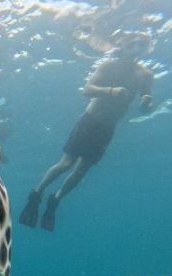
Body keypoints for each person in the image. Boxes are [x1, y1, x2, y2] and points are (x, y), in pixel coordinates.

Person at [19, 32, 155, 232]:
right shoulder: (109, 66)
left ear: (146, 48)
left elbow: (146, 99)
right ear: (123, 46)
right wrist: (110, 91)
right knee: (66, 163)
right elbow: (87, 89)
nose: (136, 49)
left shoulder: (146, 75)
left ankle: (55, 200)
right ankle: (36, 194)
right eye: (132, 44)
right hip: (90, 121)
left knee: (82, 169)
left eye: (141, 45)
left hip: (108, 128)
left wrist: (146, 103)